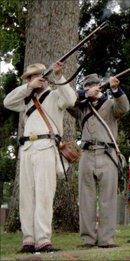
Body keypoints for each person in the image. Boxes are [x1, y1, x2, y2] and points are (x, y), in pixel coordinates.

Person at [3, 62, 77, 252]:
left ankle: (43, 239)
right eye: (29, 77)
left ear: (44, 77)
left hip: (46, 147)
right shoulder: (26, 99)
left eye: (35, 76)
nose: (32, 79)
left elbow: (70, 100)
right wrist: (28, 87)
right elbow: (7, 101)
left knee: (44, 195)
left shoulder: (54, 95)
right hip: (27, 148)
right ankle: (28, 240)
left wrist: (59, 77)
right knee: (26, 197)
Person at [76, 74, 130, 248]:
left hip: (107, 153)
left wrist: (115, 89)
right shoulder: (81, 107)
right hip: (86, 153)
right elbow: (67, 99)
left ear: (99, 86)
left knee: (108, 198)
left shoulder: (110, 104)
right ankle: (87, 238)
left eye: (93, 86)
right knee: (86, 199)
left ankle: (106, 238)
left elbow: (124, 107)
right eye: (86, 87)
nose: (90, 88)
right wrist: (85, 95)